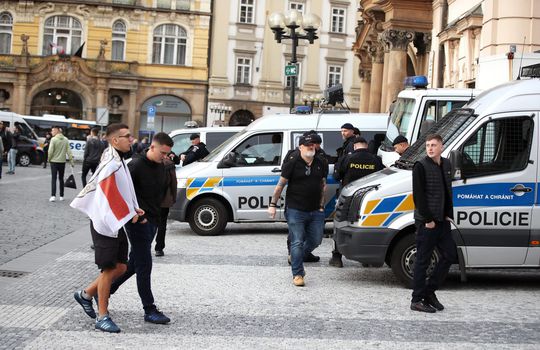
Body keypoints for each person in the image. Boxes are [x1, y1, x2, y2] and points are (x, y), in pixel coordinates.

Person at [71, 123, 143, 333]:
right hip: (105, 223)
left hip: (115, 223)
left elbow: (122, 190)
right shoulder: (111, 163)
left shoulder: (117, 158)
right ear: (114, 140)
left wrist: (133, 209)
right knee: (109, 269)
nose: (131, 139)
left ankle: (85, 295)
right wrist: (130, 214)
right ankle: (102, 317)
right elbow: (109, 195)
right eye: (126, 136)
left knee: (121, 267)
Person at [109, 132, 173, 325]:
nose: (165, 157)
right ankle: (149, 309)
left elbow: (158, 194)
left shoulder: (162, 166)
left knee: (135, 264)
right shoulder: (134, 165)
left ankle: (102, 290)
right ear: (152, 147)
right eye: (162, 153)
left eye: (167, 154)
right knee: (145, 265)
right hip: (137, 222)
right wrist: (134, 214)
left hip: (153, 221)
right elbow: (119, 192)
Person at [268, 134, 327, 287]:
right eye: (308, 145)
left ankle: (296, 257)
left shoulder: (320, 162)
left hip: (315, 210)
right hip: (295, 210)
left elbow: (323, 186)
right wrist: (273, 204)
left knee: (316, 240)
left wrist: (321, 206)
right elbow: (280, 185)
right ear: (300, 147)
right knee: (297, 241)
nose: (311, 147)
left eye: (313, 144)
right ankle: (298, 274)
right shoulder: (292, 162)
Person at [410, 133, 457, 313]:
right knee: (423, 260)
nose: (430, 148)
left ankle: (429, 292)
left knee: (450, 255)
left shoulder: (446, 164)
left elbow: (447, 190)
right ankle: (416, 299)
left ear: (441, 147)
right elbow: (419, 196)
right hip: (427, 222)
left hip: (442, 221)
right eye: (428, 145)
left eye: (433, 145)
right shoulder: (420, 166)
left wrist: (447, 214)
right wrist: (428, 220)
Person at [283, 130, 329, 263]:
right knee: (295, 235)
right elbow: (285, 173)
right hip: (296, 201)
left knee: (313, 235)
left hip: (314, 202)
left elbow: (323, 178)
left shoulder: (320, 157)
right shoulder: (294, 155)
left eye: (316, 143)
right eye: (312, 143)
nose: (314, 146)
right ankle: (293, 255)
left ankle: (304, 253)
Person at [329, 122, 356, 267]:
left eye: (345, 131)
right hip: (361, 192)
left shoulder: (349, 149)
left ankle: (337, 256)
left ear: (352, 132)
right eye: (342, 131)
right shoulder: (373, 159)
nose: (343, 133)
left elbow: (339, 169)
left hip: (347, 189)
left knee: (339, 222)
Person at [155, 151, 180, 257]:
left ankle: (145, 247)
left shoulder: (149, 163)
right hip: (165, 199)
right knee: (162, 224)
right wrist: (173, 197)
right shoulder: (169, 164)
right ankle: (159, 248)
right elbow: (174, 183)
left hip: (151, 200)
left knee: (149, 224)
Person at [48, 126, 73, 202]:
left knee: (54, 179)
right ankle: (61, 196)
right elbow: (69, 151)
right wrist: (71, 161)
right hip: (62, 162)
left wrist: (49, 159)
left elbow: (50, 151)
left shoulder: (53, 139)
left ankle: (53, 196)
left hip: (54, 162)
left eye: (53, 131)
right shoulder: (65, 140)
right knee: (61, 179)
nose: (51, 132)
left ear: (57, 131)